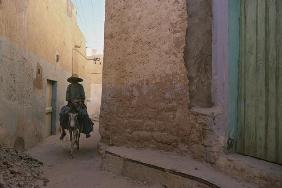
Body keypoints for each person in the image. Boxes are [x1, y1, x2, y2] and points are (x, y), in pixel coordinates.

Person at [59, 74, 93, 140]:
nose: (74, 80)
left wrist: (79, 100)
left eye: (75, 79)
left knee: (84, 114)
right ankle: (63, 132)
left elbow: (83, 96)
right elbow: (67, 97)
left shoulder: (80, 87)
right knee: (62, 113)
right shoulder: (69, 86)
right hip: (70, 104)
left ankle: (87, 131)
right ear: (71, 79)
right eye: (73, 79)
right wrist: (71, 100)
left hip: (79, 104)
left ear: (77, 80)